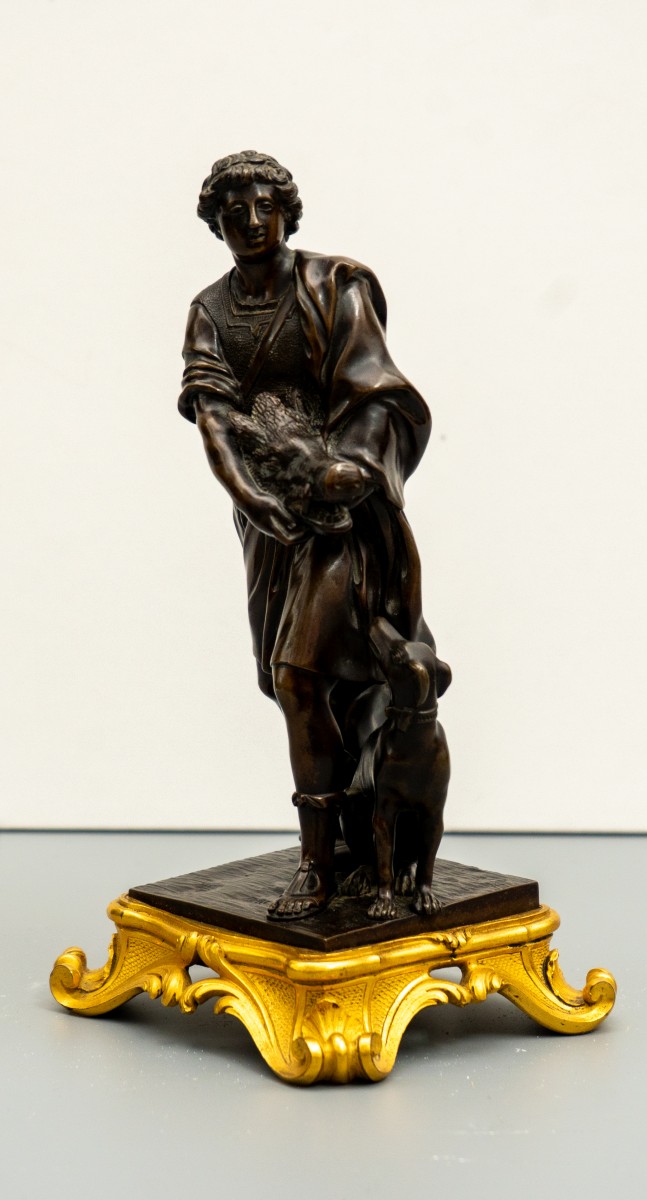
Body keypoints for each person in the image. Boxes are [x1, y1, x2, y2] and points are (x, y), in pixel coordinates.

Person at [179, 151, 442, 918]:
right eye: (233, 212)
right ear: (215, 225)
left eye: (265, 206)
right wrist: (255, 500)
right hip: (269, 522)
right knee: (285, 678)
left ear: (288, 213)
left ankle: (317, 865)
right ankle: (359, 841)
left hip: (345, 519)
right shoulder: (209, 311)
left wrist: (348, 469)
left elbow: (378, 392)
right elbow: (214, 421)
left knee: (308, 675)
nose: (251, 222)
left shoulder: (335, 285)